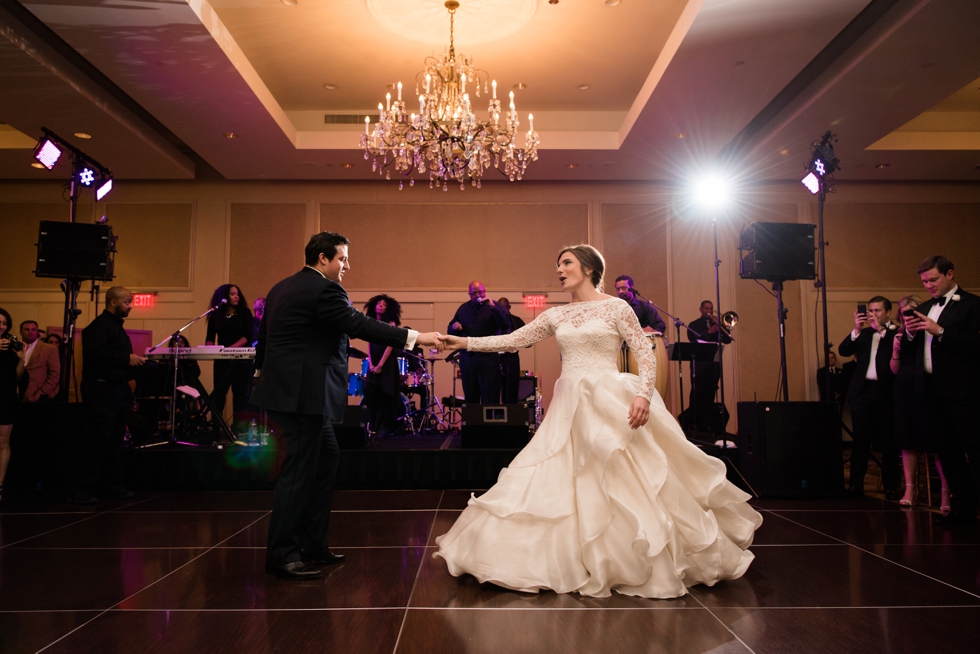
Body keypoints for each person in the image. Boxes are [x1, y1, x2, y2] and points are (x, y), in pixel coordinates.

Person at [434, 245, 761, 599]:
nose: (559, 269)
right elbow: (513, 340)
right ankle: (572, 555)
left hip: (610, 397)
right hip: (569, 401)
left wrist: (643, 395)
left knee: (617, 474)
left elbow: (643, 353)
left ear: (588, 268)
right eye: (557, 264)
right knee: (563, 472)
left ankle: (627, 555)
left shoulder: (617, 306)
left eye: (567, 263)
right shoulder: (556, 316)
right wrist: (463, 341)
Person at [252, 232, 444, 580]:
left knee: (327, 458)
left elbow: (264, 338)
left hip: (287, 393)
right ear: (323, 258)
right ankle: (282, 554)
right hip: (302, 396)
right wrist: (414, 337)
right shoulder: (325, 289)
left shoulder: (280, 287)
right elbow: (357, 325)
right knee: (297, 472)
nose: (346, 266)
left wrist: (261, 373)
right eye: (342, 258)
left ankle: (312, 543)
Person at [905, 255, 980, 526]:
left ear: (949, 274)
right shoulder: (924, 307)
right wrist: (911, 334)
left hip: (964, 393)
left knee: (975, 451)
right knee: (947, 454)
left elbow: (976, 345)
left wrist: (941, 331)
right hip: (933, 393)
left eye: (933, 279)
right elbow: (917, 354)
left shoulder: (973, 305)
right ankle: (963, 511)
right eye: (924, 281)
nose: (928, 286)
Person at [67, 287, 146, 504]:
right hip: (102, 390)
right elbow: (95, 356)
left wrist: (132, 363)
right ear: (113, 302)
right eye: (127, 302)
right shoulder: (98, 327)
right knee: (97, 439)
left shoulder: (116, 328)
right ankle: (81, 488)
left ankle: (112, 486)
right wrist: (126, 359)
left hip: (116, 390)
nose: (130, 306)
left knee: (114, 440)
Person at [890, 295, 950, 511]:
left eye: (913, 312)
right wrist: (896, 352)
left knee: (936, 442)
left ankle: (946, 493)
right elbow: (895, 370)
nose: (909, 317)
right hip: (905, 389)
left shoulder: (931, 331)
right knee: (907, 441)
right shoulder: (899, 335)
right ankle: (910, 488)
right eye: (905, 313)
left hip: (929, 387)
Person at [838, 296, 900, 499]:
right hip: (862, 391)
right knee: (860, 440)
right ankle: (856, 486)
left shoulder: (896, 333)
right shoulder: (863, 334)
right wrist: (856, 329)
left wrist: (881, 330)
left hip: (885, 391)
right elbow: (843, 350)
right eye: (871, 310)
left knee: (888, 440)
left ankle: (891, 486)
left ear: (888, 312)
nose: (873, 314)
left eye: (878, 311)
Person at [447, 281, 508, 404]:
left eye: (480, 292)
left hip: (488, 358)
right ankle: (472, 423)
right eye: (474, 293)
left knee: (490, 398)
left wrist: (493, 308)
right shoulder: (463, 309)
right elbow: (450, 330)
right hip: (468, 359)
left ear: (485, 291)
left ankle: (489, 424)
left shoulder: (494, 306)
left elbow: (505, 325)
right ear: (469, 294)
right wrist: (454, 327)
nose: (478, 295)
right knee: (470, 399)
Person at [205, 284, 254, 430]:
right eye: (232, 294)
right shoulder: (215, 314)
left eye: (237, 294)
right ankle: (216, 429)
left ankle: (238, 430)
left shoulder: (245, 313)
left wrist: (229, 350)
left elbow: (247, 336)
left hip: (241, 360)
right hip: (222, 361)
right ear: (224, 297)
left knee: (240, 396)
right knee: (219, 395)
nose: (236, 296)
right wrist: (209, 348)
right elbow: (209, 338)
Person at [686, 300, 732, 433]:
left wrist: (722, 326)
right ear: (700, 309)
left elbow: (728, 340)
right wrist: (710, 331)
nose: (709, 311)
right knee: (697, 391)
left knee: (711, 391)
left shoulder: (717, 324)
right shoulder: (694, 324)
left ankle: (707, 424)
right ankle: (693, 423)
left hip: (714, 363)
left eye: (711, 309)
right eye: (706, 308)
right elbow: (693, 338)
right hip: (699, 363)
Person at [362, 294, 404, 435]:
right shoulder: (371, 322)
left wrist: (380, 364)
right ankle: (371, 427)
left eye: (384, 304)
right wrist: (371, 362)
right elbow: (369, 342)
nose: (380, 305)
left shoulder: (390, 323)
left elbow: (390, 345)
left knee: (384, 395)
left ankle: (379, 428)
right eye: (378, 303)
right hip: (373, 362)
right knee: (370, 392)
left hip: (387, 363)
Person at [0, 309, 27, 502]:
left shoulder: (10, 346)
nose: (1, 327)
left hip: (6, 397)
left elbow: (17, 377)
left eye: (4, 323)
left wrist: (21, 357)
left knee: (3, 442)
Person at [18, 320, 60, 403]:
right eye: (27, 329)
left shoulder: (49, 349)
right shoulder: (15, 347)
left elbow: (55, 373)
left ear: (37, 331)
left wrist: (44, 392)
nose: (30, 332)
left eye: (33, 329)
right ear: (20, 332)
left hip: (37, 394)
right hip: (15, 393)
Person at [496, 298, 525, 404]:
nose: (502, 311)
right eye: (500, 308)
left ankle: (510, 417)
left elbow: (529, 342)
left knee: (511, 390)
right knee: (492, 390)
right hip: (494, 359)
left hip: (511, 359)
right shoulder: (492, 321)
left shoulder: (517, 321)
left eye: (504, 308)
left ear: (509, 307)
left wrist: (516, 337)